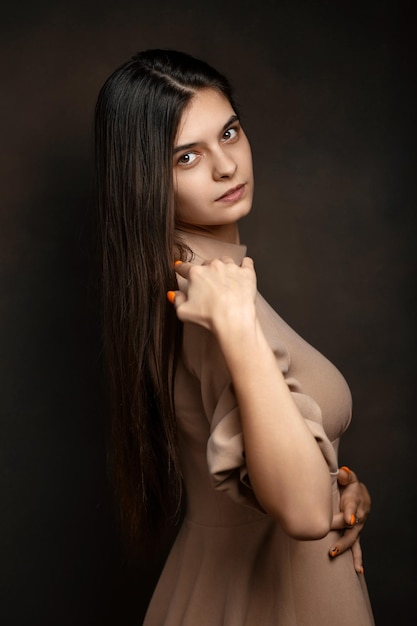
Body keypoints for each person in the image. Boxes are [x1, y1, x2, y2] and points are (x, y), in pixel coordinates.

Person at [94, 49, 374, 625]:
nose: (226, 166)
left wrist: (338, 486)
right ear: (144, 177)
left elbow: (288, 475)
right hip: (270, 601)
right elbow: (300, 514)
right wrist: (238, 328)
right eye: (188, 156)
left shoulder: (209, 281)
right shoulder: (210, 302)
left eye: (230, 132)